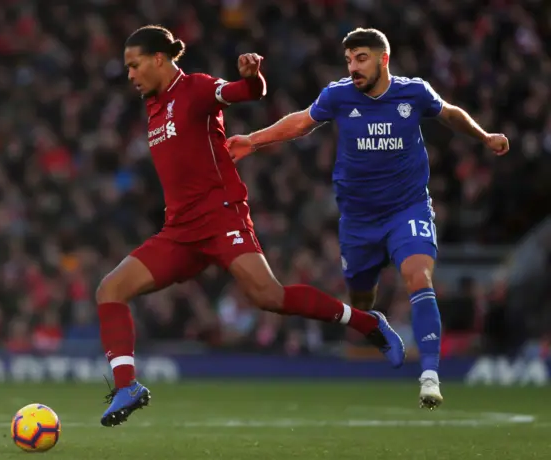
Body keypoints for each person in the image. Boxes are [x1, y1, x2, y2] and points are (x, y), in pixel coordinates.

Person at [97, 25, 406, 427]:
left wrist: (251, 77)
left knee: (269, 296)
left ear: (159, 59)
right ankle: (127, 387)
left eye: (134, 66)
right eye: (127, 68)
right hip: (179, 230)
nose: (130, 75)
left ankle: (367, 322)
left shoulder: (196, 88)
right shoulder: (154, 106)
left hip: (221, 215)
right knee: (110, 289)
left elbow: (244, 93)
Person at [227, 27, 509, 410]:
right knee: (361, 298)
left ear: (383, 59)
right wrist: (254, 140)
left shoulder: (414, 92)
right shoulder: (338, 95)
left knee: (418, 276)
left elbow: (449, 114)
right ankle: (374, 322)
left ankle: (429, 374)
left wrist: (484, 136)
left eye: (361, 58)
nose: (353, 67)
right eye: (349, 60)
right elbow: (300, 122)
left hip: (406, 208)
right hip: (358, 219)